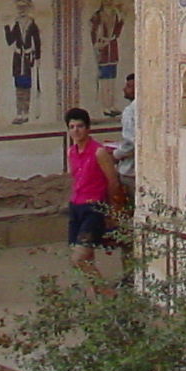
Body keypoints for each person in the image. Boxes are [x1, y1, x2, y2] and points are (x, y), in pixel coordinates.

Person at [64, 107, 123, 287]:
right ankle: (98, 298)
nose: (76, 130)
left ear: (88, 128)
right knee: (85, 260)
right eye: (72, 126)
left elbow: (112, 182)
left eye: (80, 126)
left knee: (78, 258)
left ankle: (108, 294)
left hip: (94, 208)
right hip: (76, 207)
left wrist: (112, 212)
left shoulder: (99, 152)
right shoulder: (71, 152)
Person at [112, 73, 136, 184]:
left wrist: (116, 155)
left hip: (130, 170)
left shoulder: (130, 111)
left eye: (129, 86)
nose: (124, 89)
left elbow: (131, 143)